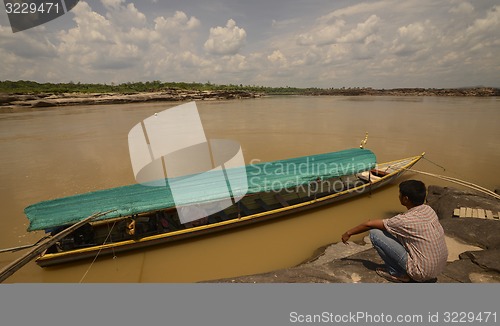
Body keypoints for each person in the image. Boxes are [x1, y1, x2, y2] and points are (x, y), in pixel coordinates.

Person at [341, 180, 448, 283]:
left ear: (406, 199)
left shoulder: (403, 221)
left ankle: (397, 273)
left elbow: (369, 224)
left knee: (375, 233)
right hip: (439, 267)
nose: (398, 196)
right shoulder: (429, 210)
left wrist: (348, 233)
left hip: (422, 273)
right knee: (394, 232)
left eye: (400, 194)